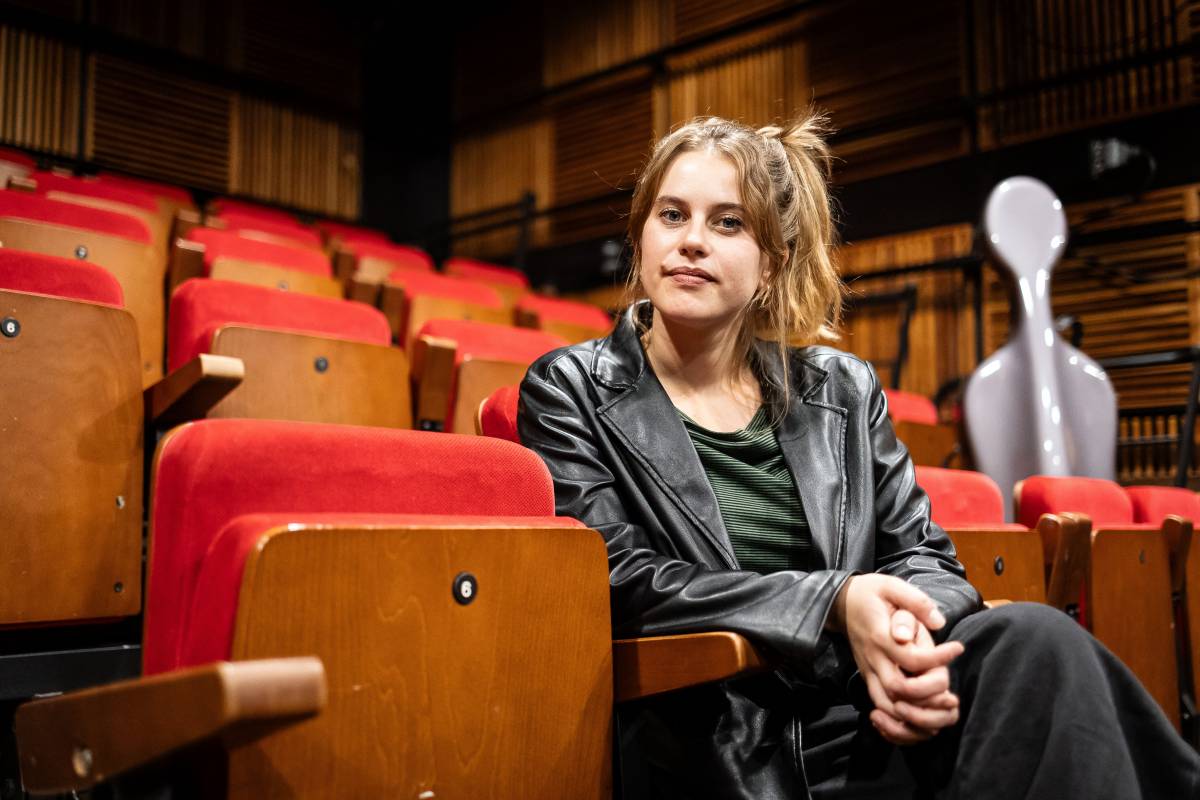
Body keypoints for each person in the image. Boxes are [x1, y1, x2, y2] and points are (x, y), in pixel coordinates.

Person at [518, 112, 1200, 799]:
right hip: (728, 731)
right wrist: (836, 602)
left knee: (1035, 641)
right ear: (640, 237)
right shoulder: (568, 388)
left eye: (728, 223)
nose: (692, 241)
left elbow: (925, 557)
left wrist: (906, 645)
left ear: (770, 264)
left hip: (870, 700)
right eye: (672, 214)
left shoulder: (841, 388)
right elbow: (620, 581)